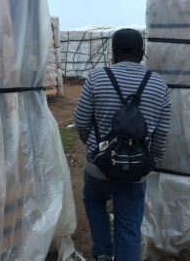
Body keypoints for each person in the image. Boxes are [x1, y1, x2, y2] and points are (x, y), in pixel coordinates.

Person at [74, 28, 171, 261]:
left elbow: (81, 121)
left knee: (95, 203)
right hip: (136, 171)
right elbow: (161, 134)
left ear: (114, 53)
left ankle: (103, 254)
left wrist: (95, 147)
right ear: (142, 54)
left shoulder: (97, 78)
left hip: (99, 167)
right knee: (128, 224)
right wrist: (150, 161)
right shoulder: (158, 84)